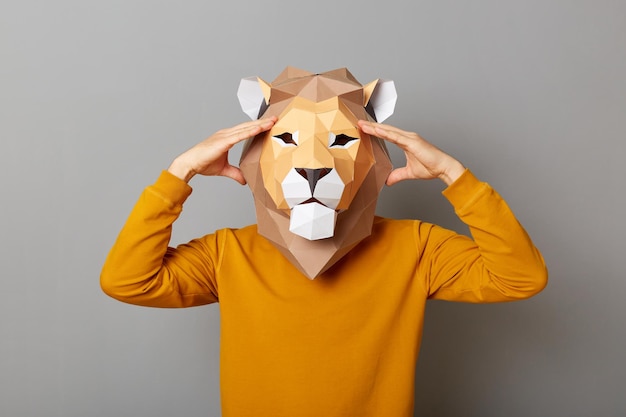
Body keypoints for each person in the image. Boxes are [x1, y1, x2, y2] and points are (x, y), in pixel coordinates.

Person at [101, 116, 547, 417]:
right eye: (288, 140)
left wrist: (454, 174)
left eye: (340, 141)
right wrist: (179, 173)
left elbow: (520, 277)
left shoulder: (416, 246)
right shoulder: (228, 253)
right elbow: (128, 281)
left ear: (374, 159)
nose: (314, 164)